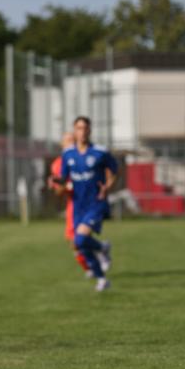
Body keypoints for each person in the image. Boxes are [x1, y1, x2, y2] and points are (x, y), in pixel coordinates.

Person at [49, 117, 117, 291]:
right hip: (78, 205)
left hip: (96, 203)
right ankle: (101, 278)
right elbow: (64, 179)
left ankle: (101, 249)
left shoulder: (100, 152)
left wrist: (107, 187)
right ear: (75, 130)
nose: (82, 132)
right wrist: (55, 180)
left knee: (80, 238)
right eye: (79, 128)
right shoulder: (68, 155)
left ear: (90, 130)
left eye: (85, 128)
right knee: (80, 245)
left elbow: (115, 172)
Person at [48, 132, 92, 277]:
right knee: (75, 242)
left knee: (80, 239)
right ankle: (91, 265)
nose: (71, 144)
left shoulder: (84, 158)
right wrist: (59, 185)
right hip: (73, 204)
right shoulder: (57, 164)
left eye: (73, 141)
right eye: (67, 141)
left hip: (88, 202)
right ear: (62, 145)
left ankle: (94, 262)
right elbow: (59, 191)